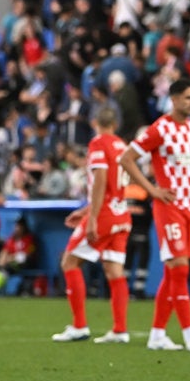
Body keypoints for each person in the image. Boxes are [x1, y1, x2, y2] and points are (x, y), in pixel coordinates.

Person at [120, 79, 190, 352]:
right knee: (180, 268)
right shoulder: (160, 129)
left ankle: (157, 334)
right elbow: (126, 158)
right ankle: (189, 334)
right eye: (187, 98)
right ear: (173, 99)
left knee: (174, 273)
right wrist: (151, 190)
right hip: (168, 206)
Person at [53, 109, 133, 343]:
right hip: (121, 213)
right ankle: (120, 330)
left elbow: (101, 179)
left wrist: (94, 216)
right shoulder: (121, 144)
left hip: (105, 214)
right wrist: (86, 211)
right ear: (115, 124)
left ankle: (79, 326)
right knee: (114, 271)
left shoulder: (98, 143)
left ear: (94, 122)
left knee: (69, 262)